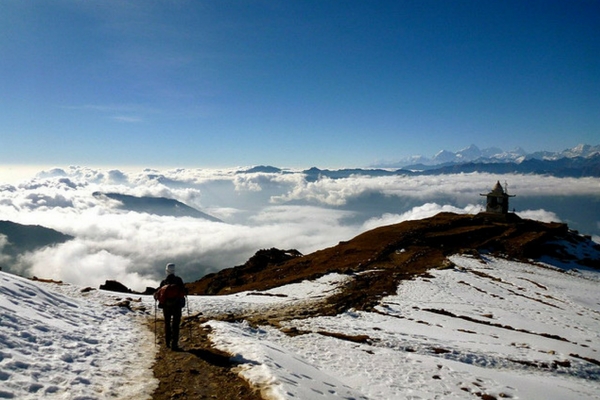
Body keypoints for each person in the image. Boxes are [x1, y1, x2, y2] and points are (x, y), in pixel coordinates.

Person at [154, 263, 186, 351]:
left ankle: (167, 342)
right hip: (177, 306)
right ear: (174, 270)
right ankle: (174, 344)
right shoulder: (179, 280)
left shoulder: (163, 282)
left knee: (167, 323)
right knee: (175, 324)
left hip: (166, 307)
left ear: (166, 270)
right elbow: (183, 292)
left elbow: (159, 294)